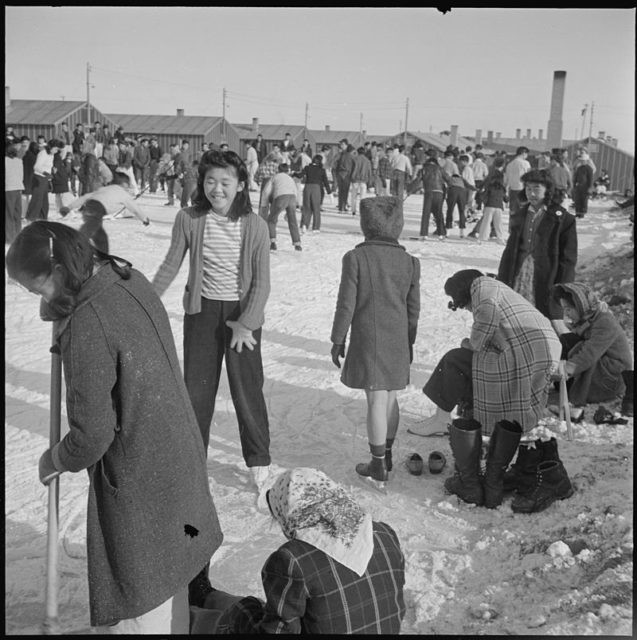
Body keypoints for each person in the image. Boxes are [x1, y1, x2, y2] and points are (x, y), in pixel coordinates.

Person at [5, 221, 223, 633]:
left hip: (141, 480)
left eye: (36, 290)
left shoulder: (87, 326)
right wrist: (57, 303)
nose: (37, 300)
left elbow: (92, 435)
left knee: (140, 600)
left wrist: (55, 459)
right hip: (177, 458)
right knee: (171, 575)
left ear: (56, 272)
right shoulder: (127, 278)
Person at [151, 150, 273, 501]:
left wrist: (246, 323)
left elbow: (262, 284)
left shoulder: (256, 225)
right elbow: (171, 264)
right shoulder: (189, 219)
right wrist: (146, 298)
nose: (216, 189)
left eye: (225, 182)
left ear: (240, 185)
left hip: (243, 317)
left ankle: (258, 460)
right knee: (196, 391)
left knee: (246, 389)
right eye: (209, 181)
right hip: (201, 314)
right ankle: (192, 461)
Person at [411, 270, 569, 511]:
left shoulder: (484, 292)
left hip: (523, 357)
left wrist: (469, 343)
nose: (465, 309)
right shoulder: (495, 287)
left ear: (463, 292)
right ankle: (492, 482)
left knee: (454, 360)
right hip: (540, 351)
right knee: (470, 367)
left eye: (462, 305)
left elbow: (480, 335)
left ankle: (443, 421)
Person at [190, 468, 406, 634]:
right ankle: (206, 595)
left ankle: (188, 616)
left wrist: (240, 615)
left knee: (242, 613)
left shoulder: (292, 560)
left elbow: (276, 632)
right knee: (257, 609)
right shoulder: (383, 533)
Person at [331, 196, 420, 490]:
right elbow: (413, 309)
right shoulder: (409, 261)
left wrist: (338, 338)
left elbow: (346, 304)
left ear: (366, 225)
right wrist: (409, 342)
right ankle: (388, 455)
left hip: (369, 339)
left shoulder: (355, 258)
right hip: (397, 337)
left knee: (376, 399)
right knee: (391, 397)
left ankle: (378, 463)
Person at [497, 169, 577, 335]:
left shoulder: (563, 219)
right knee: (515, 317)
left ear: (548, 189)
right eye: (527, 188)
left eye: (536, 188)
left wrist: (564, 288)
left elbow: (568, 259)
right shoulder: (519, 215)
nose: (531, 193)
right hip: (518, 274)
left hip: (545, 276)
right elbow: (510, 250)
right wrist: (502, 277)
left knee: (547, 321)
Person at [551, 282, 633, 417]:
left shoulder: (604, 321)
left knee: (572, 344)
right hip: (602, 364)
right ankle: (566, 383)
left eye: (569, 309)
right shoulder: (588, 318)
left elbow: (589, 353)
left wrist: (566, 369)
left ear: (581, 305)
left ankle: (573, 384)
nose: (566, 313)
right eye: (564, 309)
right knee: (566, 340)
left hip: (612, 374)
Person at [61, 171, 151, 226]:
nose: (129, 186)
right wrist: (144, 219)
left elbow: (85, 197)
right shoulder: (124, 195)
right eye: (128, 184)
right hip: (99, 209)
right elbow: (135, 209)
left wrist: (69, 207)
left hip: (89, 206)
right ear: (124, 184)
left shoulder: (104, 189)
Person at [265, 163, 302, 251]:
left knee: (271, 220)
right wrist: (297, 204)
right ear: (287, 171)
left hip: (280, 197)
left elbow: (266, 191)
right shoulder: (290, 178)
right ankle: (297, 243)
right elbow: (296, 191)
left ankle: (272, 242)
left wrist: (265, 204)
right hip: (292, 197)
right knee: (292, 221)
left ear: (278, 170)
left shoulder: (274, 177)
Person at [26, 139, 64, 222]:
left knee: (44, 200)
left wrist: (52, 169)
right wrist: (46, 173)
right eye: (56, 149)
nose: (56, 151)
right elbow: (36, 167)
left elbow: (47, 165)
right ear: (51, 147)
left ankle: (43, 217)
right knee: (37, 198)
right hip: (38, 178)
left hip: (45, 179)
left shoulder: (51, 154)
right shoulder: (43, 153)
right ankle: (30, 217)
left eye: (57, 149)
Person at [475, 157, 507, 244]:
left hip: (489, 204)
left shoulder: (490, 178)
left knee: (486, 222)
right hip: (499, 205)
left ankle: (482, 238)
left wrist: (481, 199)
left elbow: (484, 190)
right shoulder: (501, 186)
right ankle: (500, 238)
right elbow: (505, 196)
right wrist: (506, 200)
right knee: (498, 223)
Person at [419, 149, 447, 240]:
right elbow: (449, 179)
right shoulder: (440, 169)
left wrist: (409, 190)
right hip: (439, 192)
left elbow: (417, 181)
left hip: (429, 192)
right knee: (439, 213)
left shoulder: (424, 169)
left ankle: (424, 234)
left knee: (426, 213)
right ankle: (441, 234)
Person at [300, 154, 331, 233]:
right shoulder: (321, 170)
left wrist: (293, 174)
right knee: (316, 208)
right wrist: (329, 192)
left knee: (306, 207)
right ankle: (316, 227)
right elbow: (325, 181)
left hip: (307, 187)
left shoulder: (307, 168)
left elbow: (300, 175)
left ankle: (304, 224)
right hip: (316, 188)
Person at [504, 145, 531, 223]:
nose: (526, 156)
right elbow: (529, 176)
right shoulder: (525, 163)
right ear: (523, 153)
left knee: (513, 211)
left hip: (512, 190)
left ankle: (512, 229)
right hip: (522, 189)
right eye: (526, 154)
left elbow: (506, 179)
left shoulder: (509, 164)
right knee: (523, 211)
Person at [5, 138, 24, 245]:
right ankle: (18, 236)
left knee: (8, 215)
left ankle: (9, 238)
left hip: (8, 189)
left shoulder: (5, 161)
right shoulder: (19, 161)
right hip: (18, 187)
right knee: (17, 214)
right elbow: (21, 175)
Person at [349, 146, 373, 215]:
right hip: (363, 180)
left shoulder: (354, 159)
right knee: (362, 197)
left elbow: (351, 169)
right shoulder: (367, 161)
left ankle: (353, 210)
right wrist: (370, 182)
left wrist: (351, 177)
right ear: (364, 152)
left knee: (354, 196)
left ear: (357, 152)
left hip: (355, 179)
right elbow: (369, 172)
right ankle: (361, 211)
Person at [572, 149, 594, 217]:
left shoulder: (589, 169)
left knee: (584, 200)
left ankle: (582, 213)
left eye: (583, 160)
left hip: (585, 187)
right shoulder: (579, 168)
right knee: (577, 200)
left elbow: (590, 179)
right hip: (579, 186)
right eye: (581, 160)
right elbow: (576, 176)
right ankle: (577, 212)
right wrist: (574, 184)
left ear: (586, 161)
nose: (582, 161)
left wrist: (589, 187)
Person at [334, 139, 355, 213]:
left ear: (346, 145)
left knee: (344, 191)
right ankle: (341, 207)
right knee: (341, 191)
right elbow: (335, 163)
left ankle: (342, 206)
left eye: (343, 144)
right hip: (341, 173)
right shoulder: (341, 154)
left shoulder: (349, 154)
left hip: (346, 174)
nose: (341, 146)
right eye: (341, 144)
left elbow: (354, 165)